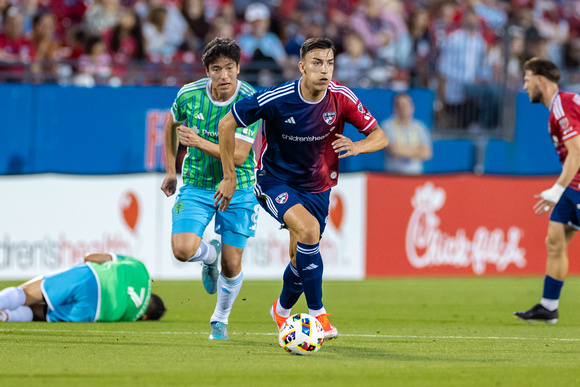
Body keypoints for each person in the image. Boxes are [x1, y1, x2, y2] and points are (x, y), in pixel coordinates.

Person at [215, 37, 389, 340]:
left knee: (300, 258)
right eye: (317, 63)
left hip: (319, 187)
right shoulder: (276, 98)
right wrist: (230, 176)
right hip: (274, 181)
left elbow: (380, 136)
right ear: (301, 67)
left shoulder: (341, 98)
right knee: (308, 231)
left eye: (330, 63)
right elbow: (226, 124)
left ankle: (281, 311)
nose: (325, 70)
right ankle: (318, 315)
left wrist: (359, 146)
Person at [160, 37, 260, 340]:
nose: (224, 76)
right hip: (198, 184)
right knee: (182, 250)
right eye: (217, 69)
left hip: (239, 187)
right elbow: (170, 126)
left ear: (239, 68)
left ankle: (220, 319)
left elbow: (240, 156)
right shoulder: (188, 95)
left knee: (232, 264)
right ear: (207, 71)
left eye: (230, 68)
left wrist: (200, 142)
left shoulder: (249, 100)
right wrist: (170, 170)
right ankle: (208, 256)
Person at [514, 57, 580, 324]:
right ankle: (548, 306)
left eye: (527, 80)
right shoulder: (559, 106)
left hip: (576, 182)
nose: (524, 86)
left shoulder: (562, 105)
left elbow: (577, 153)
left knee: (556, 239)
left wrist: (556, 189)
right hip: (574, 184)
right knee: (555, 240)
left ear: (541, 80)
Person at [0, 253, 166, 323]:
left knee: (30, 292)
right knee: (42, 313)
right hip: (92, 311)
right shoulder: (133, 316)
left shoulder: (141, 269)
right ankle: (5, 316)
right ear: (145, 316)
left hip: (92, 277)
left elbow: (91, 257)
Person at [382, 93, 432, 175]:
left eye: (406, 105)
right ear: (395, 108)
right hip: (393, 175)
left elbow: (427, 153)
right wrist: (417, 150)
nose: (404, 109)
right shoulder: (387, 126)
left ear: (412, 106)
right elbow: (394, 150)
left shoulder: (420, 127)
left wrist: (403, 150)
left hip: (416, 175)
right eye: (400, 106)